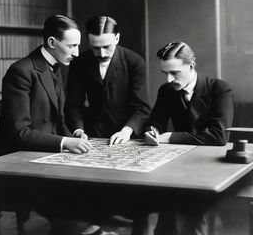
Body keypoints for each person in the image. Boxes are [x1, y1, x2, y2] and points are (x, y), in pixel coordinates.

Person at [144, 41, 234, 235]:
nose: (168, 79)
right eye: (165, 73)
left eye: (174, 73)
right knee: (164, 212)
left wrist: (170, 137)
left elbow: (219, 136)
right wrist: (151, 132)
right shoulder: (167, 91)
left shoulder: (219, 89)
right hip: (177, 163)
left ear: (191, 66)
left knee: (193, 220)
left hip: (209, 166)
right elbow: (155, 122)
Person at [0, 14, 91, 155]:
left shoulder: (56, 67)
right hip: (17, 156)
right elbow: (19, 133)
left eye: (77, 46)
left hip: (45, 151)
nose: (76, 53)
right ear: (52, 43)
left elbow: (58, 122)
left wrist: (74, 137)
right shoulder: (21, 71)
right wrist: (64, 142)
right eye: (71, 46)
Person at [65, 15, 151, 145]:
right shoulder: (79, 62)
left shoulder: (135, 62)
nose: (102, 54)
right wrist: (78, 130)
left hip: (127, 136)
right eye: (95, 48)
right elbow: (73, 105)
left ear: (117, 38)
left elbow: (142, 108)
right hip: (90, 136)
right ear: (88, 41)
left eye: (106, 47)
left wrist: (126, 131)